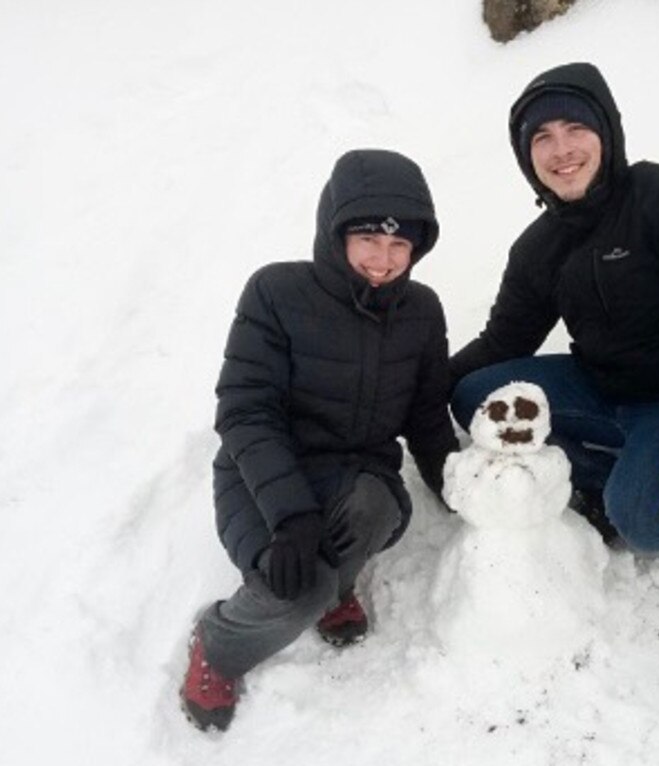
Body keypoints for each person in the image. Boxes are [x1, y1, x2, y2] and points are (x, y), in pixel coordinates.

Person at [449, 62, 659, 602]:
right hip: (600, 385)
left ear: (606, 133)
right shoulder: (540, 247)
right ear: (526, 156)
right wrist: (420, 387)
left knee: (645, 525)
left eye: (576, 129)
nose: (562, 150)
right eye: (543, 138)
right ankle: (607, 481)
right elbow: (503, 342)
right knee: (479, 398)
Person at [180, 149, 458, 732]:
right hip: (261, 478)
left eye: (400, 245)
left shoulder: (422, 311)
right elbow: (245, 412)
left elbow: (428, 417)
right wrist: (290, 515)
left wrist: (459, 485)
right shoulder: (276, 293)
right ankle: (219, 641)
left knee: (375, 506)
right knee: (294, 593)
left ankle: (337, 587)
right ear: (335, 232)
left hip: (356, 477)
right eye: (368, 240)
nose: (383, 260)